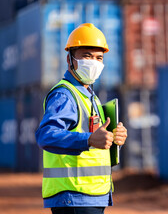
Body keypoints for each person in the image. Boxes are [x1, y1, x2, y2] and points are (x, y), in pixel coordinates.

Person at [35, 23, 127, 214]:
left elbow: (94, 141)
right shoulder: (65, 95)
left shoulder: (89, 95)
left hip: (91, 195)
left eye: (99, 58)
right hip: (74, 196)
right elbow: (46, 135)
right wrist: (89, 139)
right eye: (87, 56)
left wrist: (113, 138)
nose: (94, 62)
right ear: (70, 59)